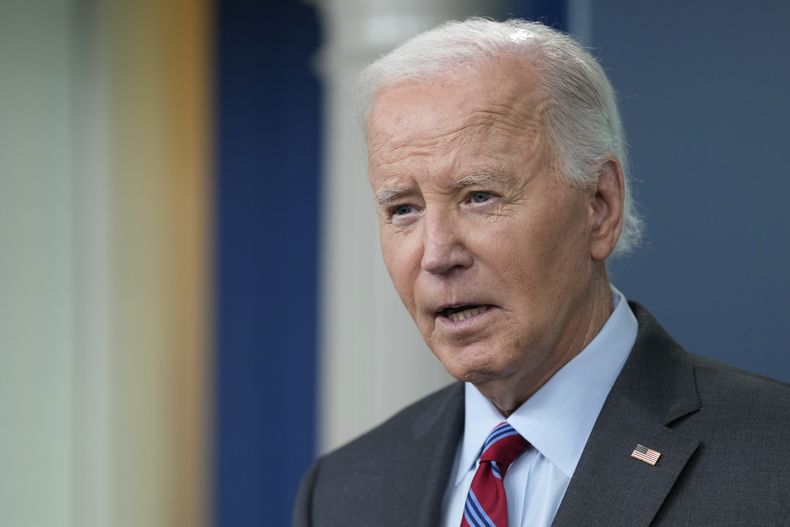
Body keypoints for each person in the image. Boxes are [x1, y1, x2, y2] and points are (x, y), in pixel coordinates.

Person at [293, 18, 790, 527]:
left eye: (480, 196)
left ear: (599, 207)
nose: (437, 255)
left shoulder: (775, 461)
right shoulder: (343, 491)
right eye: (403, 210)